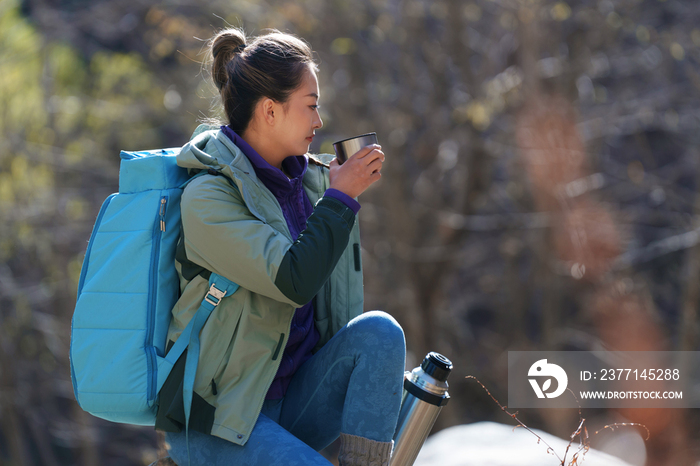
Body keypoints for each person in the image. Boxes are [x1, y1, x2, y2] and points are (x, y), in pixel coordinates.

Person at [155, 27, 406, 466]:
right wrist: (342, 198)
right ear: (270, 111)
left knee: (381, 332)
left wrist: (335, 190)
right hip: (218, 420)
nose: (319, 121)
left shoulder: (306, 180)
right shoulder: (209, 197)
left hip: (290, 401)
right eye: (311, 106)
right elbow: (292, 279)